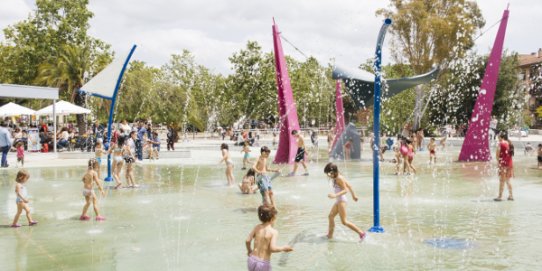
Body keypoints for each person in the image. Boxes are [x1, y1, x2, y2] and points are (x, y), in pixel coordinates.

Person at [323, 163, 366, 241]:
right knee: (330, 216)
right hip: (339, 201)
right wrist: (354, 196)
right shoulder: (337, 176)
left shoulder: (339, 178)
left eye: (329, 173)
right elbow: (349, 186)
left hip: (342, 201)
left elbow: (345, 190)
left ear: (333, 171)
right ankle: (330, 235)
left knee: (344, 221)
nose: (329, 175)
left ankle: (361, 233)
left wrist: (335, 195)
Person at [245, 205, 293, 270]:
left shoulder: (257, 227)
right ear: (273, 218)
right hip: (263, 263)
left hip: (252, 259)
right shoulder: (273, 232)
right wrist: (283, 248)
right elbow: (272, 249)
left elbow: (247, 240)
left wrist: (249, 251)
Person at [494, 132, 514, 201]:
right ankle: (511, 196)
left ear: (501, 137)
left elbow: (497, 155)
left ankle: (500, 197)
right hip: (510, 164)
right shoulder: (509, 143)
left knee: (502, 180)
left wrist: (498, 163)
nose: (497, 138)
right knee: (508, 180)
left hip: (503, 165)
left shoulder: (500, 144)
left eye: (498, 136)